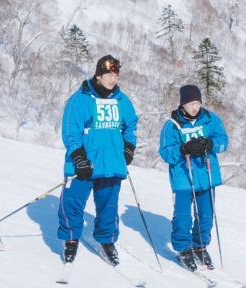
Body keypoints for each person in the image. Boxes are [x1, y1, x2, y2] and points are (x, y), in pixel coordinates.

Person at [59, 55, 139, 266]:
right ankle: (70, 239)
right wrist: (79, 157)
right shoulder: (80, 99)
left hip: (112, 163)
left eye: (116, 75)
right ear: (98, 75)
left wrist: (129, 148)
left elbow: (131, 126)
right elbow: (70, 130)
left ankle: (106, 241)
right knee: (72, 203)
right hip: (83, 164)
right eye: (109, 75)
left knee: (108, 207)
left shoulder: (122, 100)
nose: (113, 79)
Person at [158, 83, 228, 270]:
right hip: (183, 177)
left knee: (206, 215)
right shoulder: (172, 125)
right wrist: (184, 149)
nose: (195, 107)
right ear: (182, 105)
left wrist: (210, 144)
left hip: (206, 176)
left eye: (197, 103)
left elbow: (224, 142)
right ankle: (183, 249)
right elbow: (165, 153)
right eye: (191, 104)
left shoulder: (210, 119)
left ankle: (200, 246)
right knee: (183, 216)